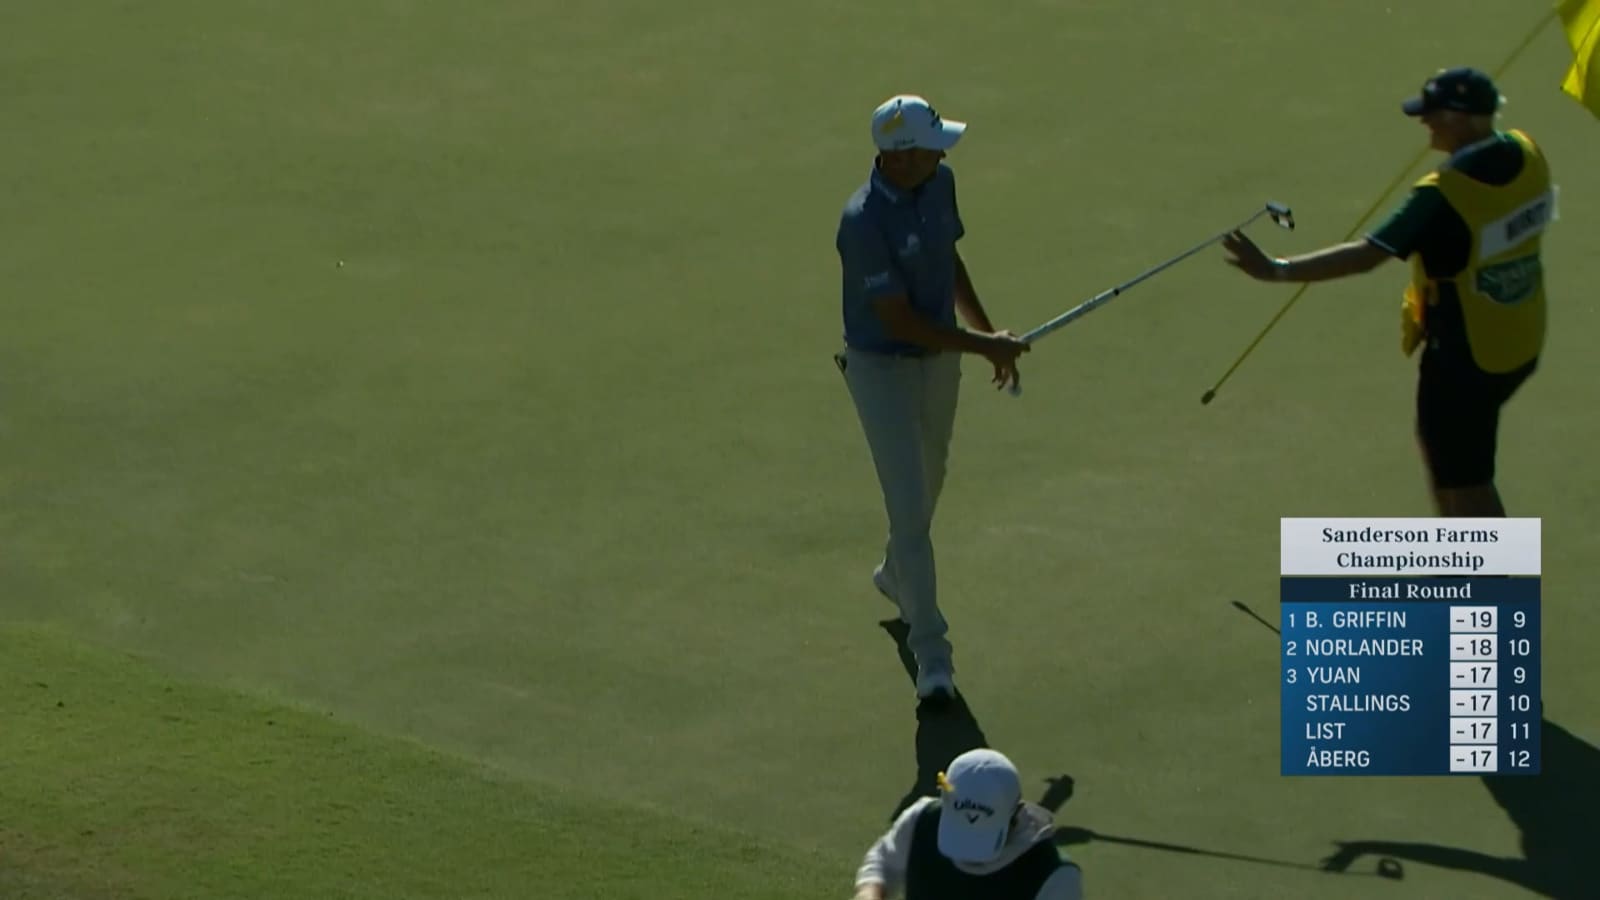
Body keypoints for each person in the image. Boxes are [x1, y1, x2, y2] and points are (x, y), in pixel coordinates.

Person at [1222, 67, 1554, 518]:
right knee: (1450, 459)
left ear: (1460, 118)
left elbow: (1366, 255)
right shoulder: (1528, 152)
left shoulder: (1441, 195)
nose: (1424, 122)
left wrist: (1276, 270)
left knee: (1465, 477)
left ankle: (1488, 581)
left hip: (1466, 352)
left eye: (1432, 113)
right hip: (1520, 333)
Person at [833, 94, 1030, 702]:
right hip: (881, 369)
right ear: (898, 157)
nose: (943, 151)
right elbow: (899, 322)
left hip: (941, 358)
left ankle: (896, 575)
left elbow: (948, 260)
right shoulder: (862, 222)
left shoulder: (939, 183)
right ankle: (933, 655)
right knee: (910, 506)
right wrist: (981, 345)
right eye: (932, 143)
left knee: (931, 482)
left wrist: (987, 330)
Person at [852, 748, 1084, 899]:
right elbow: (883, 862)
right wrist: (870, 893)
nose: (967, 857)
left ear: (1015, 814)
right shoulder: (921, 820)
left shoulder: (1054, 877)